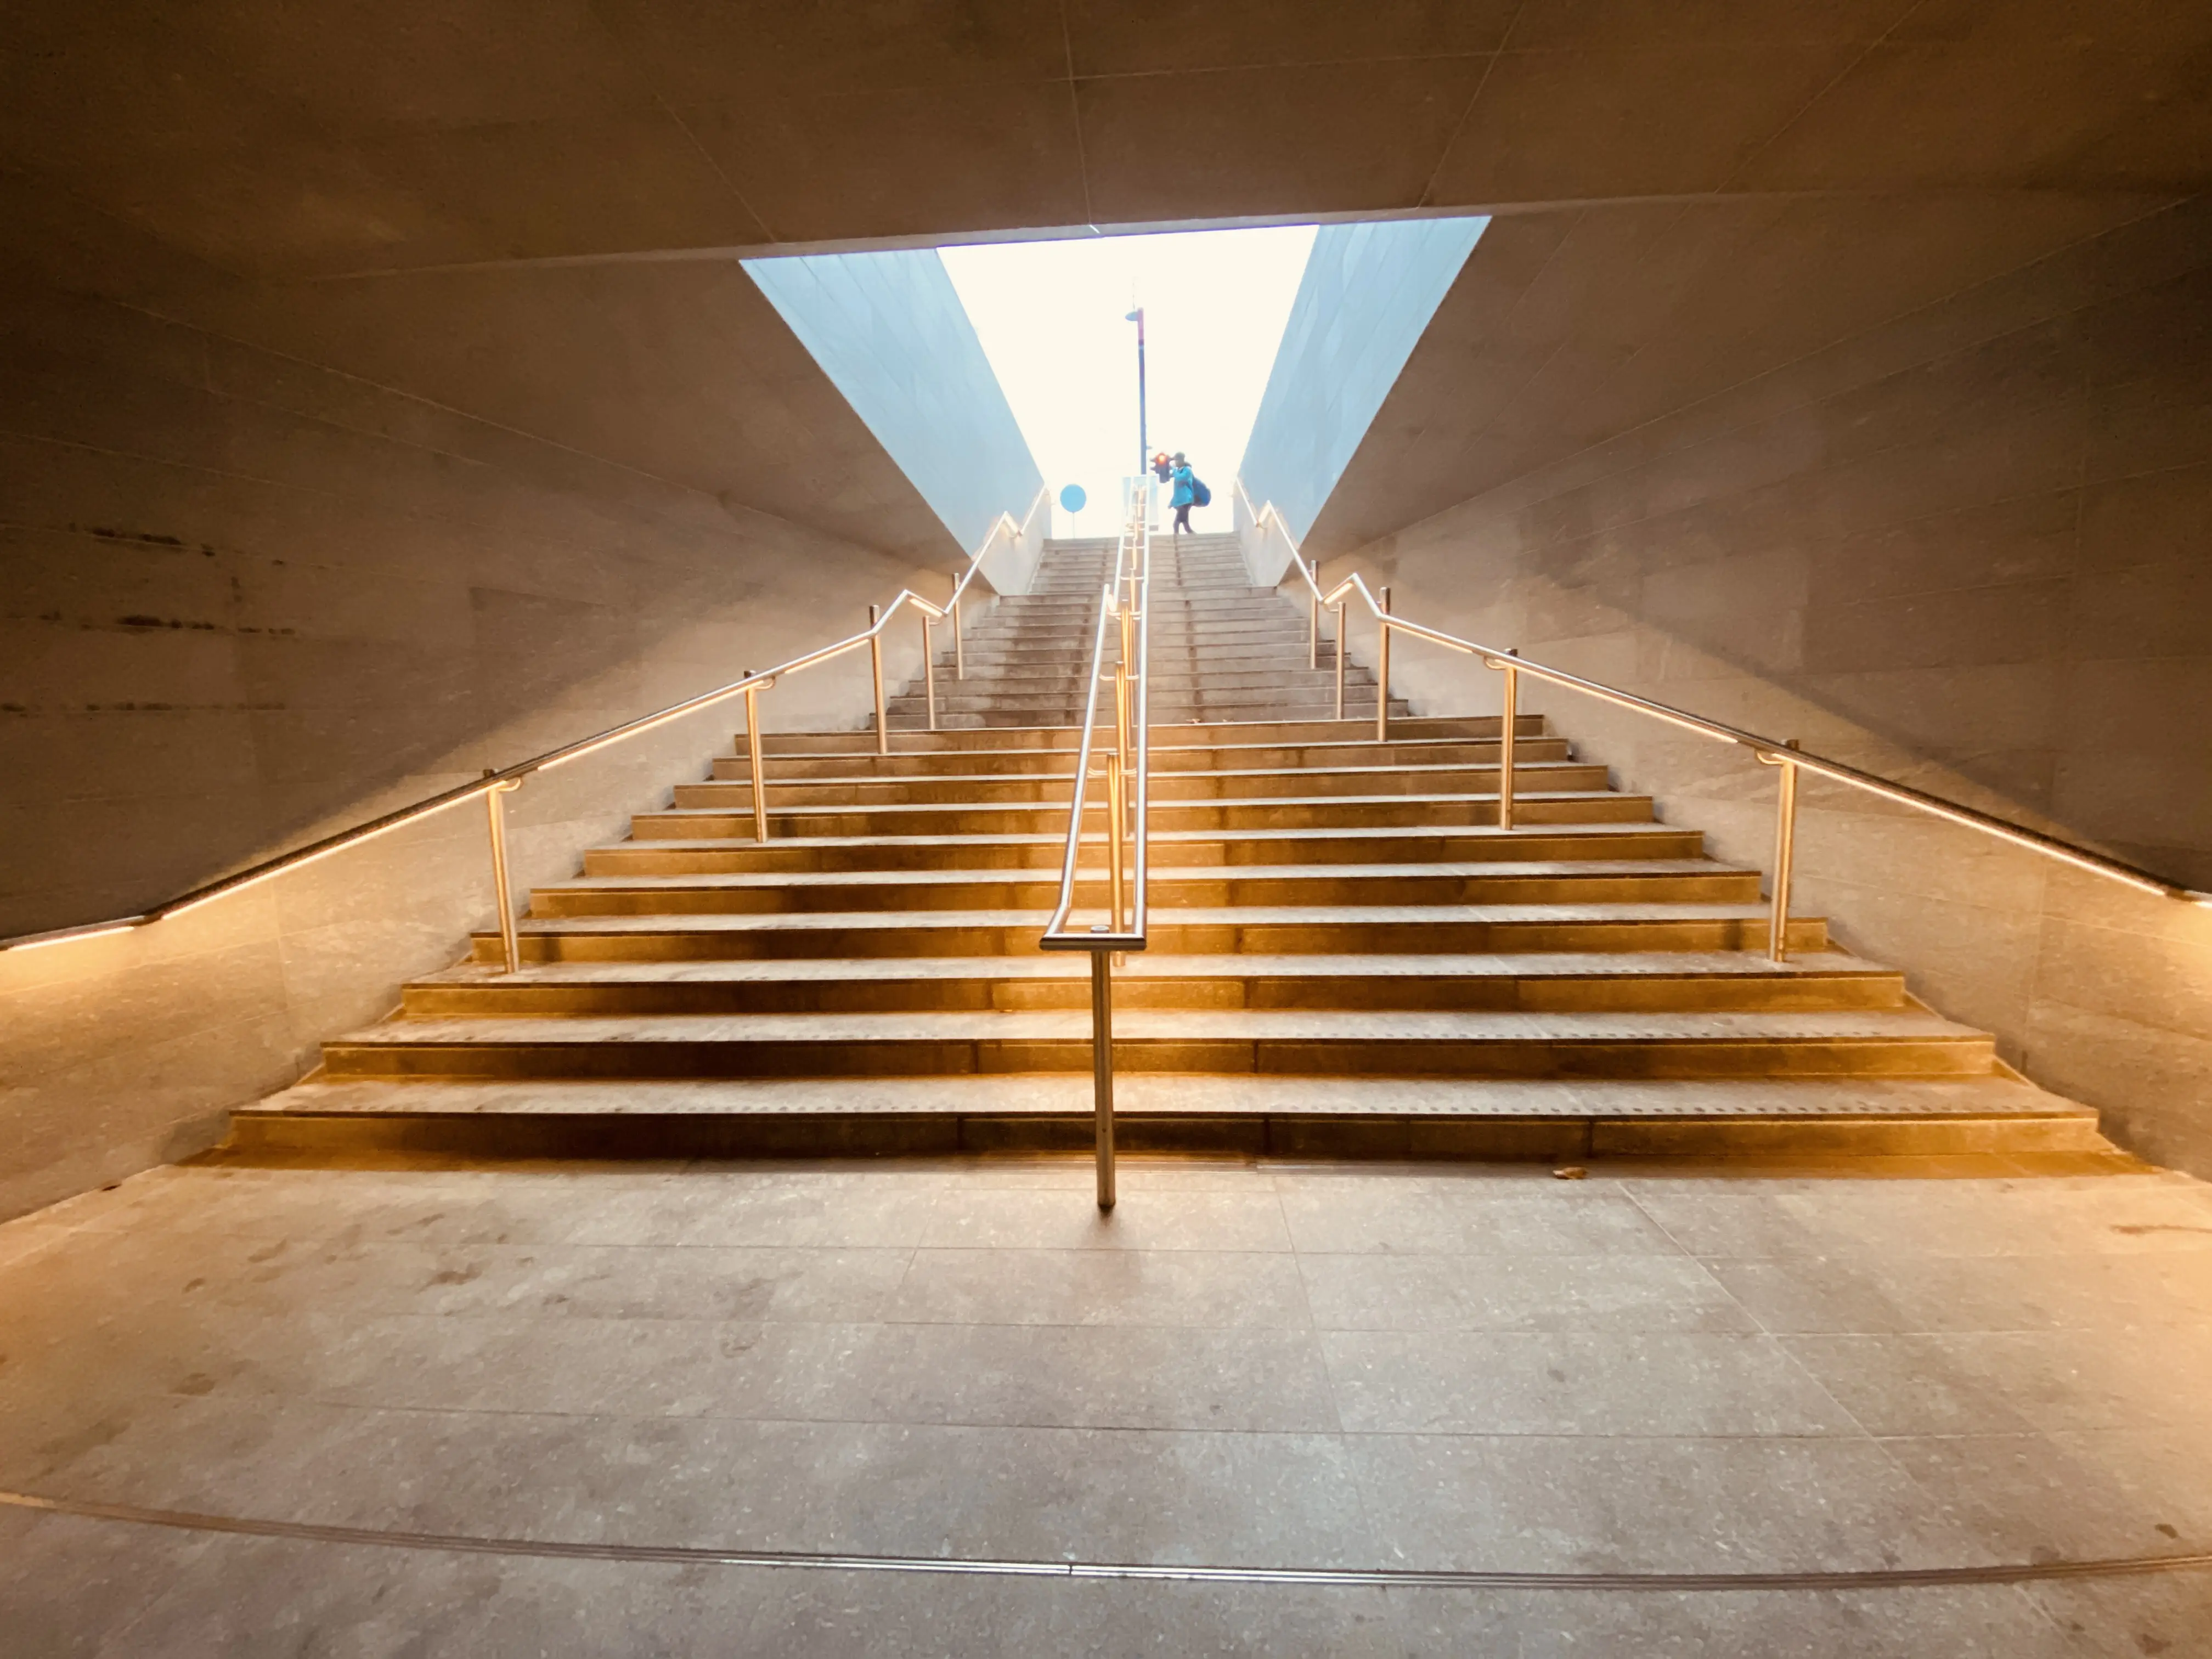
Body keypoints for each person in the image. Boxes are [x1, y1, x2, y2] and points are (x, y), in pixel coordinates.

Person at [1168, 451, 1195, 535]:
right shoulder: (1178, 472)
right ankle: (1192, 535)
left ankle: (1177, 541)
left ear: (1181, 460)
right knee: (1185, 524)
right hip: (1181, 501)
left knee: (1177, 523)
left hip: (1186, 500)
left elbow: (1180, 478)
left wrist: (1173, 470)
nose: (1175, 462)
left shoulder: (1187, 470)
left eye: (1177, 460)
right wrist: (1172, 503)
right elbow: (1177, 491)